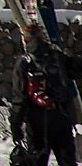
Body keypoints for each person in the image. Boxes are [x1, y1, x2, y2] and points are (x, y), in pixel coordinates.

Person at [12, 26, 78, 166]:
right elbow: (76, 70)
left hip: (37, 123)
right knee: (67, 161)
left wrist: (16, 124)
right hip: (61, 117)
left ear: (25, 39)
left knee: (37, 161)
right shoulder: (56, 56)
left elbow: (20, 97)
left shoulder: (24, 62)